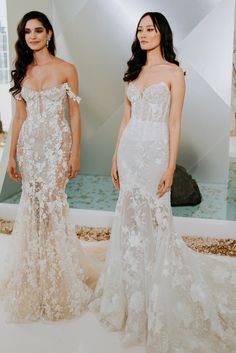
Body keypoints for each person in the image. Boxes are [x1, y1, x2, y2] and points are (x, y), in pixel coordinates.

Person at [90, 12, 236, 353]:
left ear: (162, 33)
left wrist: (170, 167)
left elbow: (174, 124)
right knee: (129, 221)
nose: (143, 34)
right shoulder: (132, 72)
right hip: (129, 152)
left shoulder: (174, 73)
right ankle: (130, 293)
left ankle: (157, 291)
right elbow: (125, 119)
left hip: (155, 153)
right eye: (139, 29)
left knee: (157, 219)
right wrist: (114, 157)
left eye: (149, 28)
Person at [0, 11, 94, 322]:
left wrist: (75, 153)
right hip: (29, 148)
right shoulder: (22, 72)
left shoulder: (67, 70)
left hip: (56, 147)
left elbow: (76, 115)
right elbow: (18, 118)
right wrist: (11, 155)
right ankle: (34, 275)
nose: (33, 36)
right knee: (32, 208)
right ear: (23, 36)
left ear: (49, 34)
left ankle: (58, 278)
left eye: (39, 30)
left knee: (52, 207)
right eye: (27, 32)